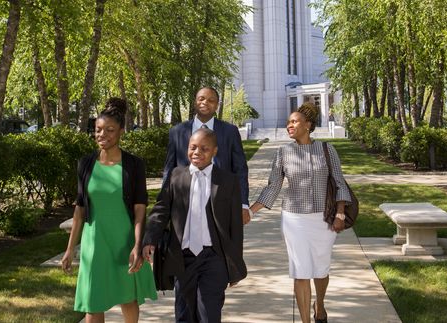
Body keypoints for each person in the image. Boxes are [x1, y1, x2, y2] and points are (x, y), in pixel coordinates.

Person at [249, 102, 352, 323]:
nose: (289, 125)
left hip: (323, 219)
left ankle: (320, 305)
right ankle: (305, 320)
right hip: (294, 219)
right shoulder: (283, 152)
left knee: (321, 270)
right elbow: (273, 186)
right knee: (301, 270)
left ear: (308, 125)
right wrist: (251, 212)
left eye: (294, 121)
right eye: (288, 122)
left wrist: (340, 213)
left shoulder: (327, 149)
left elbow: (339, 182)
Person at [61, 97, 157, 323]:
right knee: (93, 302)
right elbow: (80, 209)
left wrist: (137, 244)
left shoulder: (134, 164)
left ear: (122, 131)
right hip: (95, 243)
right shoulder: (85, 164)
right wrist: (69, 248)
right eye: (98, 130)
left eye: (109, 130)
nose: (102, 135)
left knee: (128, 297)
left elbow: (140, 208)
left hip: (123, 241)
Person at [143, 128, 247, 323]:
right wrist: (150, 239)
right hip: (183, 258)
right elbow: (161, 210)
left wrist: (234, 265)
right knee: (184, 314)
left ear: (215, 151)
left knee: (209, 313)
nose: (197, 152)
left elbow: (235, 228)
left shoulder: (228, 181)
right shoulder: (176, 176)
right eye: (193, 147)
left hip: (213, 257)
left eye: (204, 148)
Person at [163, 86, 251, 224]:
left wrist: (243, 204)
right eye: (201, 99)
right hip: (185, 202)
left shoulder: (230, 131)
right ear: (195, 102)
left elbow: (240, 169)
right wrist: (165, 203)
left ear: (217, 105)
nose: (205, 102)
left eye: (211, 100)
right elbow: (169, 170)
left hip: (221, 201)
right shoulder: (177, 132)